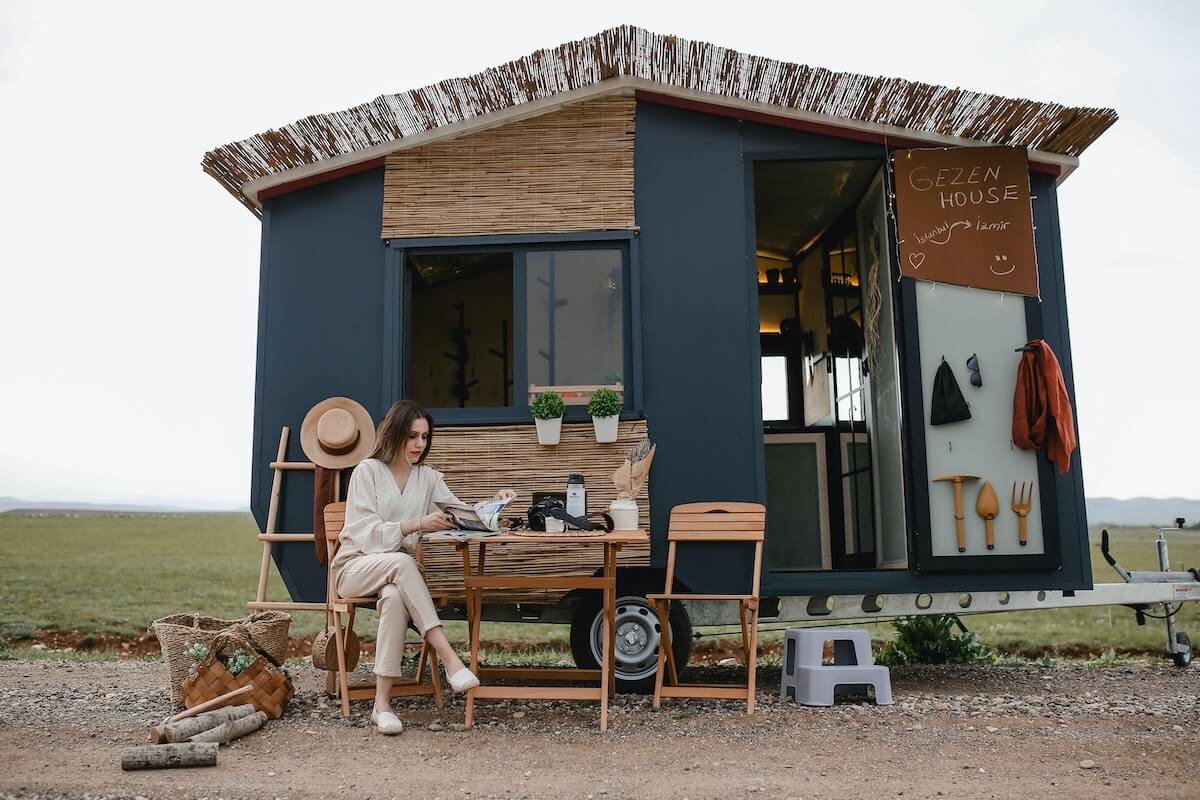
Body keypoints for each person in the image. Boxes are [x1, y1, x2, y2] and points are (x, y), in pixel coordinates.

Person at [331, 399, 517, 734]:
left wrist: (496, 502)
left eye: (425, 437)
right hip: (354, 569)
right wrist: (415, 524)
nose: (419, 444)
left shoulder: (427, 478)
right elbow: (364, 534)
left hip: (395, 578)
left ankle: (382, 705)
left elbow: (464, 515)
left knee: (392, 596)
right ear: (395, 434)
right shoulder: (367, 471)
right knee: (403, 563)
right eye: (412, 436)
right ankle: (450, 658)